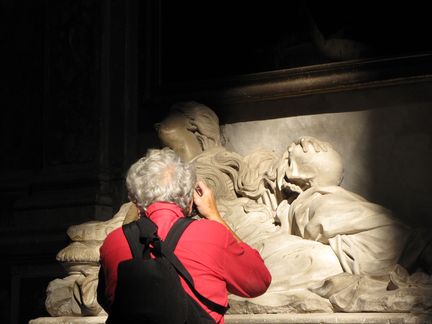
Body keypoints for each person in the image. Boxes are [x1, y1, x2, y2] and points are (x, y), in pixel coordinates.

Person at [98, 148, 272, 323]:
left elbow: (110, 302)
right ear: (190, 199)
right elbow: (259, 281)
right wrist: (214, 215)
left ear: (136, 199)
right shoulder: (212, 234)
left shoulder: (113, 242)